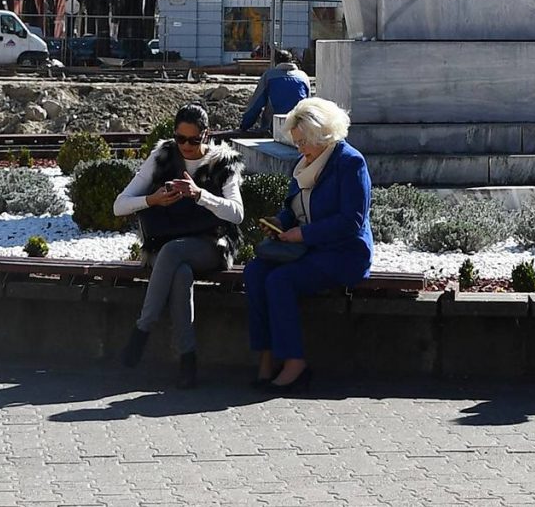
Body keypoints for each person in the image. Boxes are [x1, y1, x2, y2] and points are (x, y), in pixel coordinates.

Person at [244, 97, 371, 391]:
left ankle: (294, 363)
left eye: (303, 142)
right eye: (296, 141)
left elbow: (351, 221)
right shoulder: (304, 164)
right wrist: (279, 223)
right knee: (254, 272)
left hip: (344, 254)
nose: (299, 148)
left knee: (280, 281)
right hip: (308, 249)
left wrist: (302, 235)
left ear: (322, 136)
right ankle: (267, 356)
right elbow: (293, 209)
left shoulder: (350, 163)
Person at [115, 104, 244, 387]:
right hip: (167, 244)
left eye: (194, 140)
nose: (186, 146)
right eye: (180, 138)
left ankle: (142, 330)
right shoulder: (162, 156)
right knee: (180, 272)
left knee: (175, 253)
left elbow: (237, 213)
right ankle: (188, 360)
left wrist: (201, 196)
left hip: (211, 244)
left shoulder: (223, 162)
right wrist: (153, 200)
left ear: (206, 135)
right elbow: (119, 206)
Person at [237, 48, 312, 140]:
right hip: (299, 127)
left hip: (272, 129)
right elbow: (308, 104)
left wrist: (244, 125)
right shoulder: (303, 77)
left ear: (275, 62)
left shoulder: (269, 76)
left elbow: (256, 104)